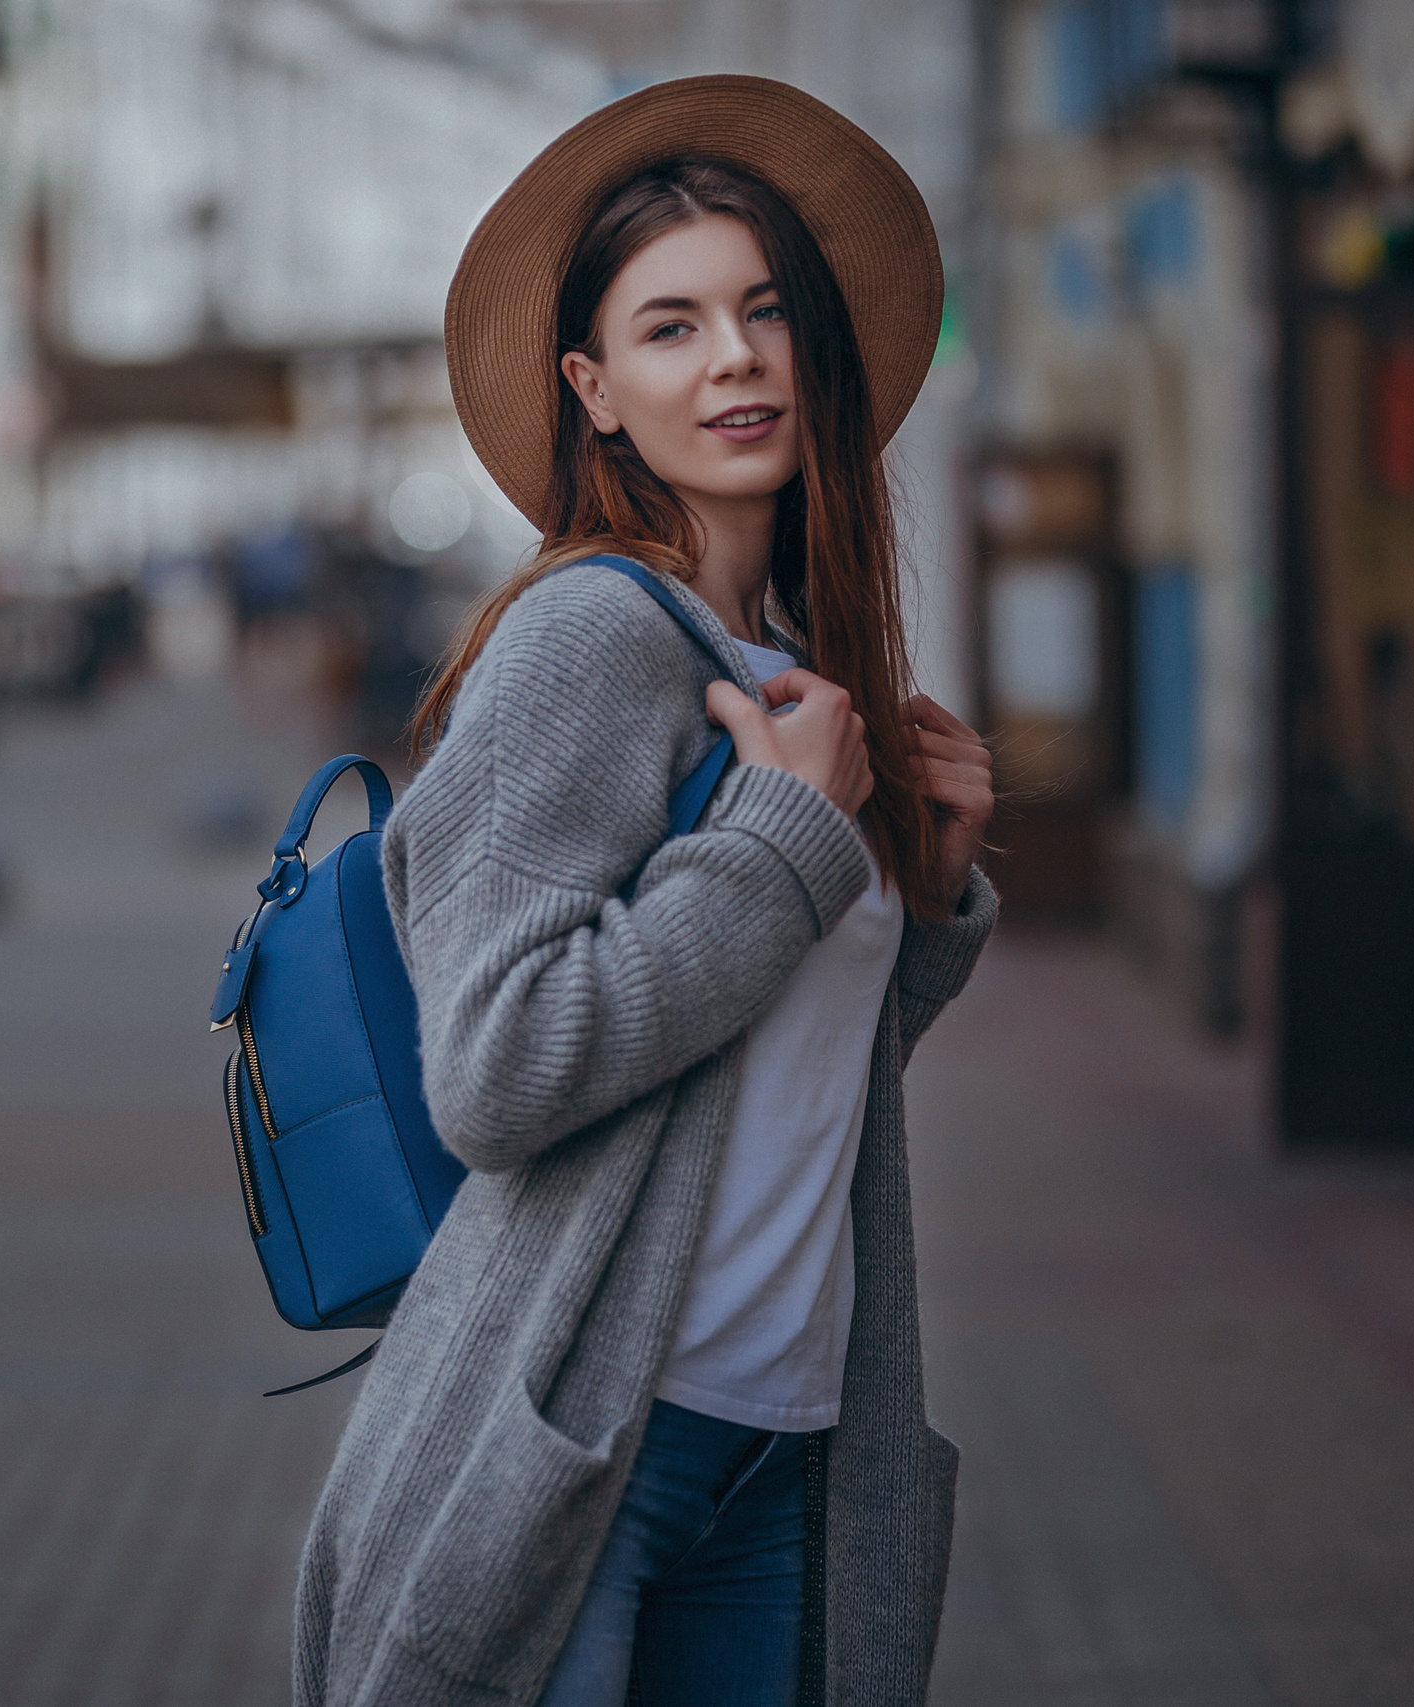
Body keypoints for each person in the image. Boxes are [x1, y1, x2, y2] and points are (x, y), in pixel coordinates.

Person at [291, 76, 998, 1707]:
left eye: (763, 313)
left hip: (782, 1441)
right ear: (594, 391)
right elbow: (499, 1065)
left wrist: (924, 909)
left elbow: (756, 1093)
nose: (736, 357)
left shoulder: (799, 675)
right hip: (595, 1444)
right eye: (671, 329)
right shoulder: (588, 636)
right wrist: (776, 850)